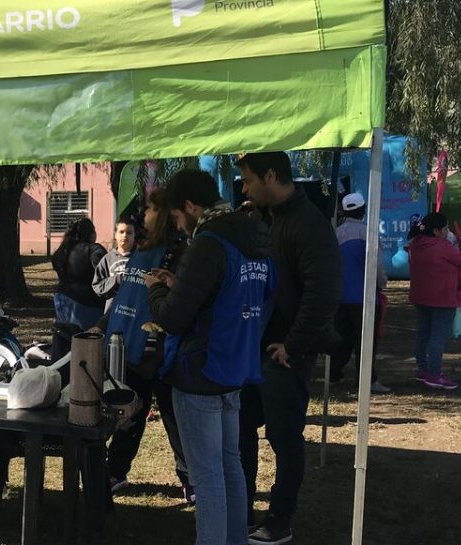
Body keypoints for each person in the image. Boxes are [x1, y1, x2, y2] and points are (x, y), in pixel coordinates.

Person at [147, 169, 276, 545]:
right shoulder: (251, 231)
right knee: (230, 465)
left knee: (207, 477)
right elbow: (250, 293)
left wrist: (156, 290)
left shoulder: (208, 241)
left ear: (189, 206)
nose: (177, 224)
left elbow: (172, 317)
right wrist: (181, 284)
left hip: (199, 370)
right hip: (234, 366)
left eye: (175, 217)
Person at [236, 152, 341, 545]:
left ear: (271, 175)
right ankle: (241, 507)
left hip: (284, 353)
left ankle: (280, 518)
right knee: (241, 428)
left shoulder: (308, 223)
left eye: (248, 180)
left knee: (284, 438)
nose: (244, 189)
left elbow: (324, 290)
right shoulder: (264, 218)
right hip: (253, 347)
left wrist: (293, 345)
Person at [90, 192, 192, 501]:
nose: (142, 215)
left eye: (148, 209)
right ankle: (116, 472)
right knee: (130, 413)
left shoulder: (180, 252)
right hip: (132, 349)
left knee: (175, 418)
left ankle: (190, 479)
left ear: (161, 214)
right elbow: (126, 297)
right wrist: (103, 326)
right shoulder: (140, 251)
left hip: (163, 350)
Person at [330, 193, 391, 394]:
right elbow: (377, 266)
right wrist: (382, 283)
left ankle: (334, 374)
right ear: (364, 210)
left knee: (342, 337)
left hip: (339, 297)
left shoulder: (335, 234)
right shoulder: (368, 233)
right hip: (365, 297)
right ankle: (367, 380)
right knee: (366, 341)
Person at [407, 212, 461, 389]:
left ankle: (424, 369)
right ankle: (434, 374)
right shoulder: (443, 247)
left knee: (423, 334)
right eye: (445, 228)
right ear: (437, 231)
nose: (447, 231)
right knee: (438, 337)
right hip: (443, 298)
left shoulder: (415, 244)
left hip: (421, 297)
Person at [52, 218, 107, 330]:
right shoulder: (94, 250)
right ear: (91, 233)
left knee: (65, 337)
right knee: (85, 342)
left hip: (61, 300)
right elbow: (105, 271)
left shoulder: (62, 251)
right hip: (87, 303)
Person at [92, 218, 137, 305]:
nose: (125, 235)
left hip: (134, 310)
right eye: (121, 232)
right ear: (115, 235)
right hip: (112, 310)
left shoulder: (140, 258)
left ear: (134, 235)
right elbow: (97, 287)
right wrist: (116, 280)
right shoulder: (107, 259)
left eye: (129, 232)